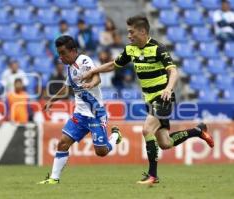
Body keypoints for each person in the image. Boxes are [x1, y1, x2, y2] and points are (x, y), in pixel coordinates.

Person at [82, 16, 214, 185]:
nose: (129, 35)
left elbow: (173, 71)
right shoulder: (131, 49)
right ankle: (198, 130)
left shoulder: (158, 48)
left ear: (143, 31)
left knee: (146, 130)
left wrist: (168, 88)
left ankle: (153, 176)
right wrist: (92, 71)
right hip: (149, 100)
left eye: (131, 32)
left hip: (163, 97)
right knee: (166, 143)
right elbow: (113, 64)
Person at [37, 35, 122, 184]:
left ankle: (115, 136)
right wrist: (51, 100)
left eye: (63, 53)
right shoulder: (70, 70)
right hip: (80, 115)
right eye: (59, 54)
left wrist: (91, 84)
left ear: (73, 51)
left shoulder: (84, 60)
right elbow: (66, 89)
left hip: (95, 113)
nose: (61, 57)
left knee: (101, 152)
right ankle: (53, 179)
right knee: (63, 143)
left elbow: (97, 78)